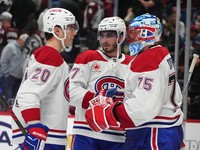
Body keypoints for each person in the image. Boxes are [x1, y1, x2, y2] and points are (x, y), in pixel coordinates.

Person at [85, 13, 185, 149]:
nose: (130, 37)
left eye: (134, 32)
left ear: (146, 34)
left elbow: (143, 107)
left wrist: (111, 112)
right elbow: (155, 91)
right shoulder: (159, 53)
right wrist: (122, 94)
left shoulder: (148, 59)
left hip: (153, 133)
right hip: (165, 130)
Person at [11, 8, 79, 150]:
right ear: (57, 31)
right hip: (43, 140)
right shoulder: (50, 56)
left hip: (46, 138)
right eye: (71, 28)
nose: (74, 33)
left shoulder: (53, 58)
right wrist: (34, 125)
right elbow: (28, 94)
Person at [69, 16, 133, 150]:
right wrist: (99, 99)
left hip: (119, 137)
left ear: (121, 37)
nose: (104, 40)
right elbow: (71, 90)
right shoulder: (87, 57)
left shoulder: (132, 64)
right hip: (86, 133)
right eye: (102, 35)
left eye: (109, 35)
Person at [0, 33, 28, 101]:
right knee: (7, 99)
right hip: (9, 78)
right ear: (21, 40)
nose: (25, 45)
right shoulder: (10, 47)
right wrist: (6, 75)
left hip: (18, 79)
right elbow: (3, 61)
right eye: (25, 43)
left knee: (13, 101)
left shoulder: (24, 50)